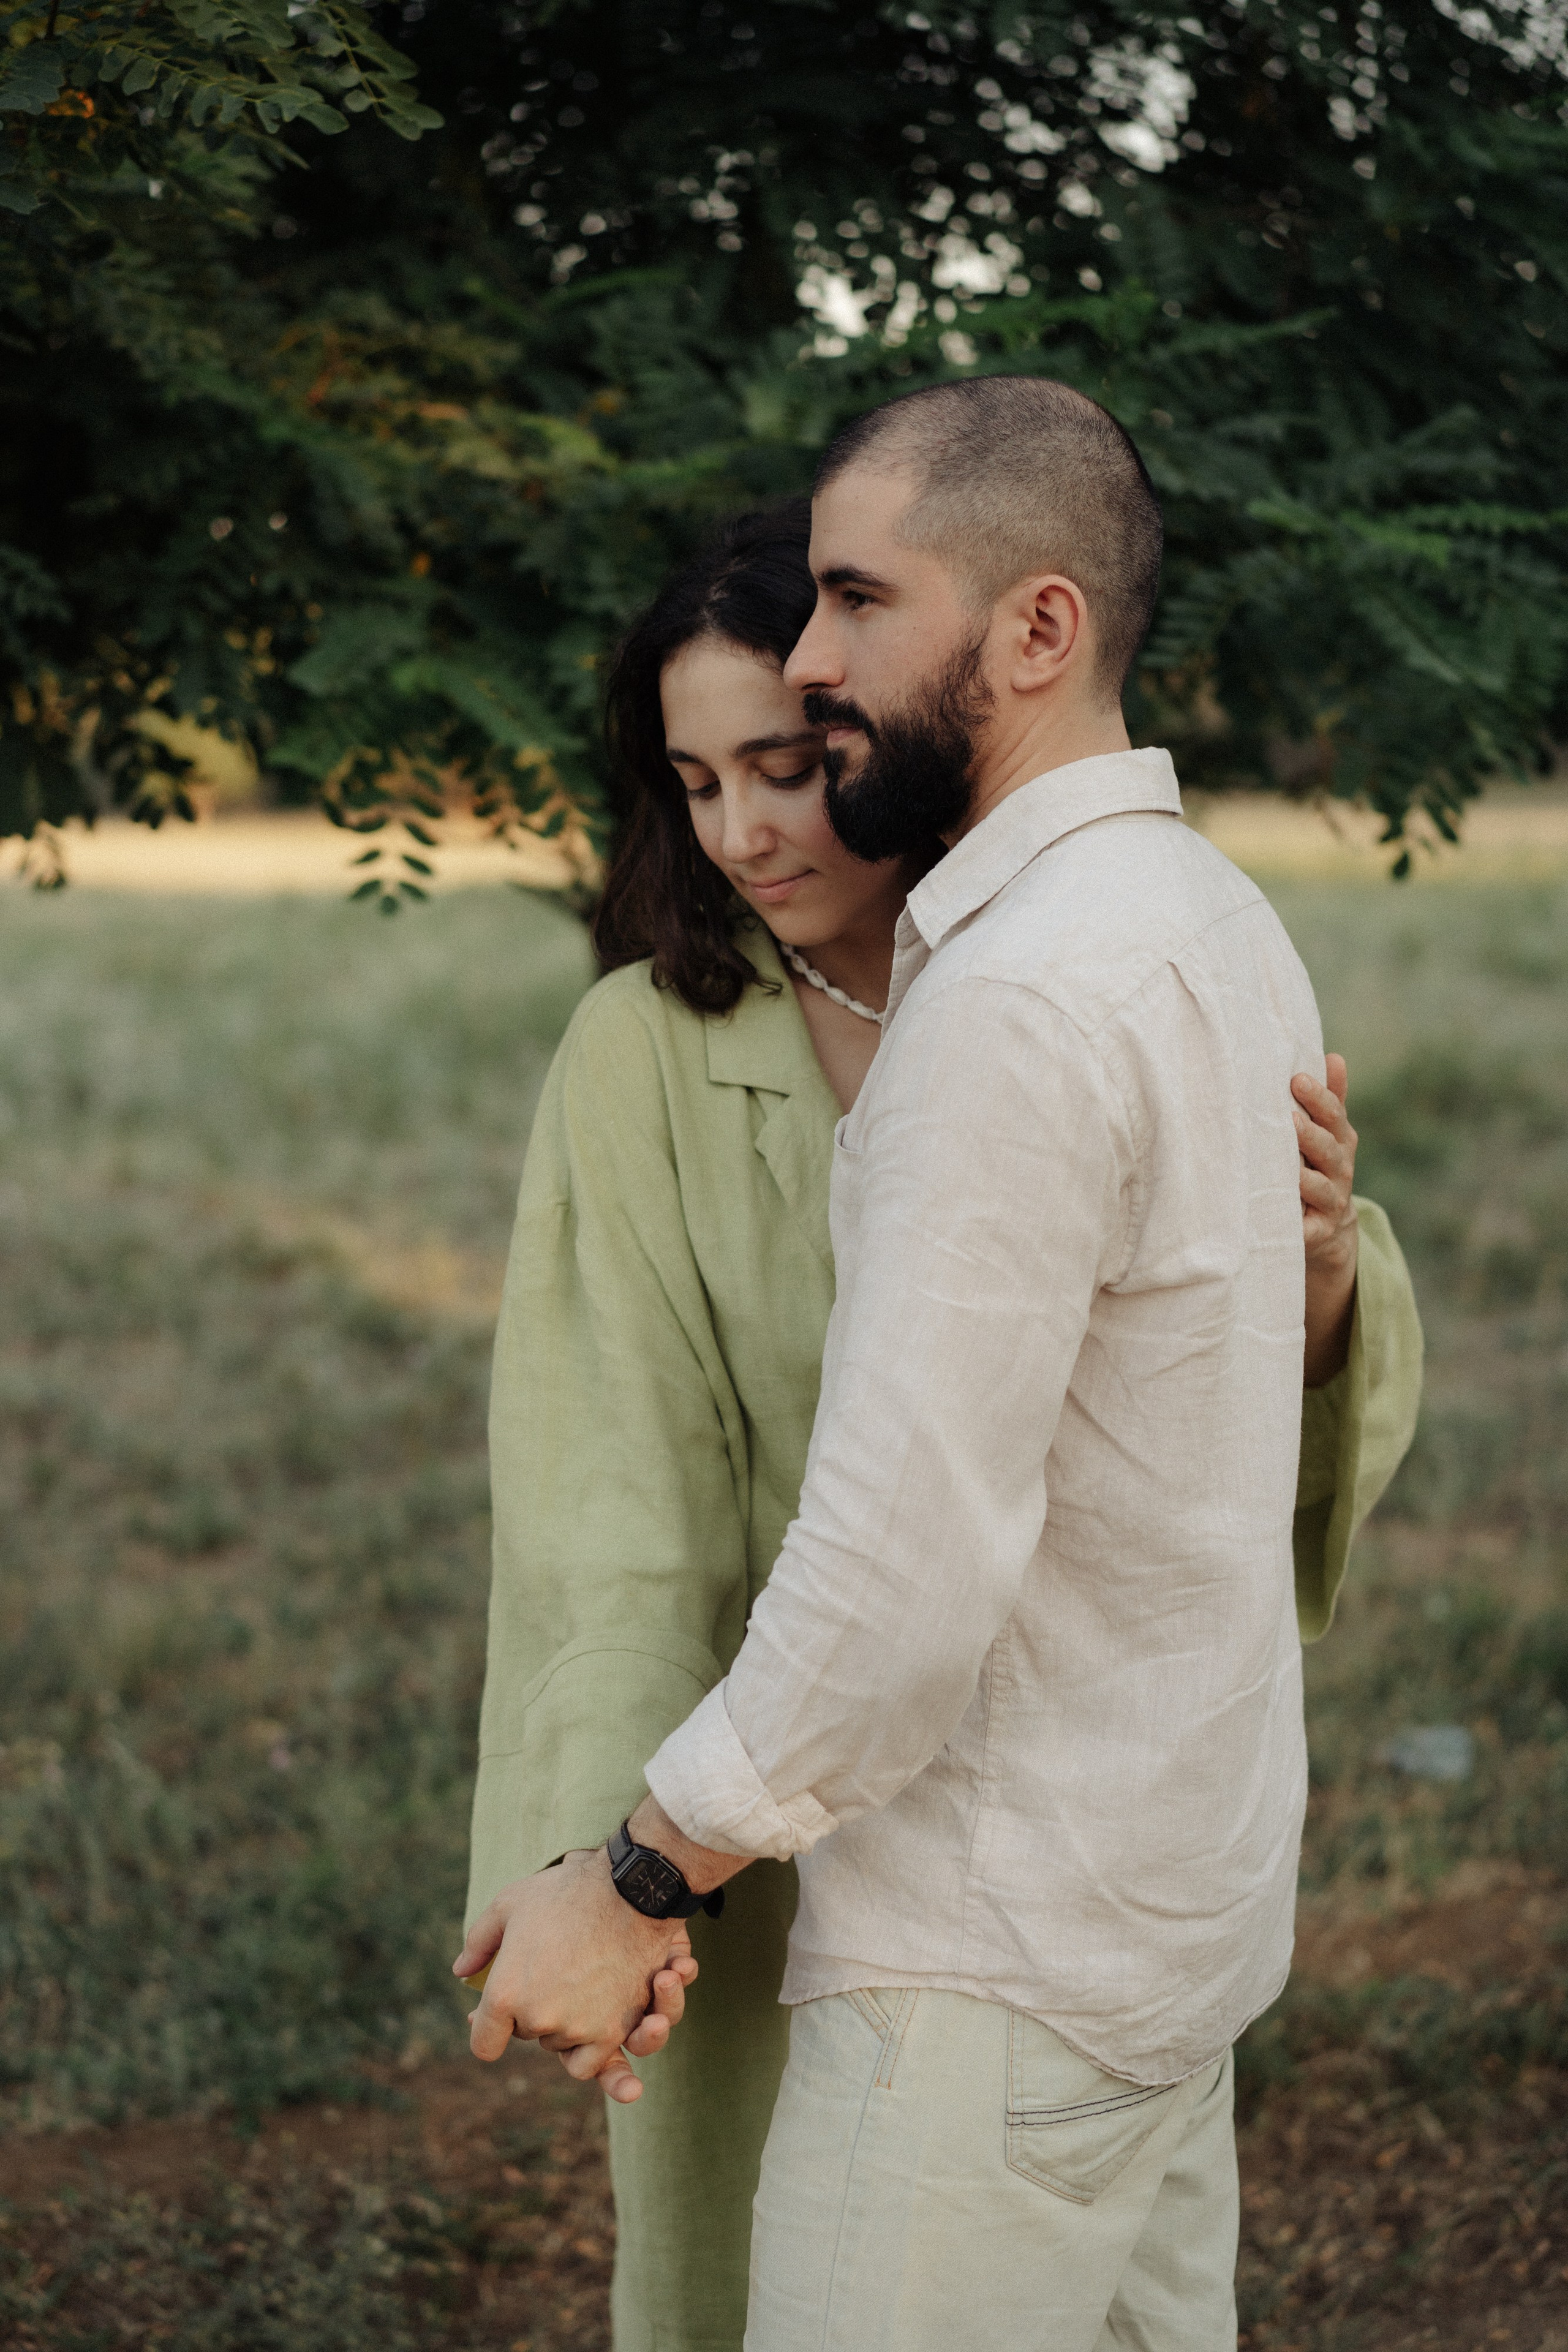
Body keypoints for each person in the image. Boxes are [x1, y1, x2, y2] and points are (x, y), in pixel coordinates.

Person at [457, 415, 1423, 2350]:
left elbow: (934, 1551)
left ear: (1032, 630)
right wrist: (636, 1860)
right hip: (1013, 1877)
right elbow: (613, 1515)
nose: (758, 799)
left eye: (851, 622)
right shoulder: (1199, 922)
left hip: (973, 1909)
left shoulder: (1010, 1001)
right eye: (699, 777)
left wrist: (643, 1873)